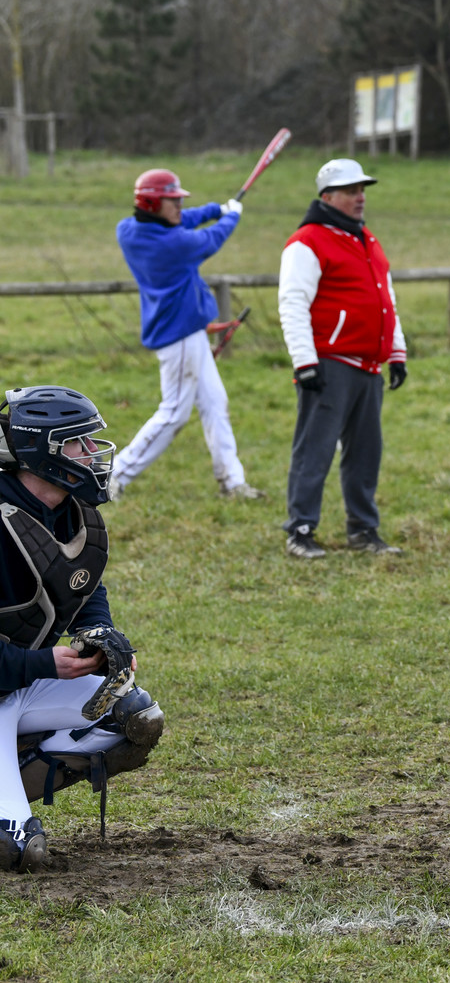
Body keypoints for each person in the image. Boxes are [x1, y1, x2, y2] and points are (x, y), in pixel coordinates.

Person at [0, 385, 166, 871]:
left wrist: (101, 636)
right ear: (41, 453)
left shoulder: (67, 509)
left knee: (134, 717)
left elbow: (85, 586)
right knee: (18, 854)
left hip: (13, 686)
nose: (93, 454)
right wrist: (41, 663)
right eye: (79, 443)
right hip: (12, 675)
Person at [278, 158, 407, 560]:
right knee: (314, 449)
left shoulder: (366, 239)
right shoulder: (308, 241)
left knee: (367, 452)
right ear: (328, 197)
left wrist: (397, 352)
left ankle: (363, 529)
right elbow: (293, 303)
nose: (360, 197)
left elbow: (387, 301)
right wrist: (305, 361)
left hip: (369, 366)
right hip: (330, 363)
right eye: (351, 191)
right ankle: (300, 529)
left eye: (362, 190)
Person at [108, 169, 263, 502]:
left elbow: (183, 220)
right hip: (178, 336)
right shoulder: (177, 244)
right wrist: (231, 216)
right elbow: (210, 239)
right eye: (172, 201)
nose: (179, 206)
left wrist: (215, 208)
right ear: (151, 202)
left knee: (214, 403)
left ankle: (232, 481)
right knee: (174, 412)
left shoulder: (129, 230)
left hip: (186, 331)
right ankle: (114, 475)